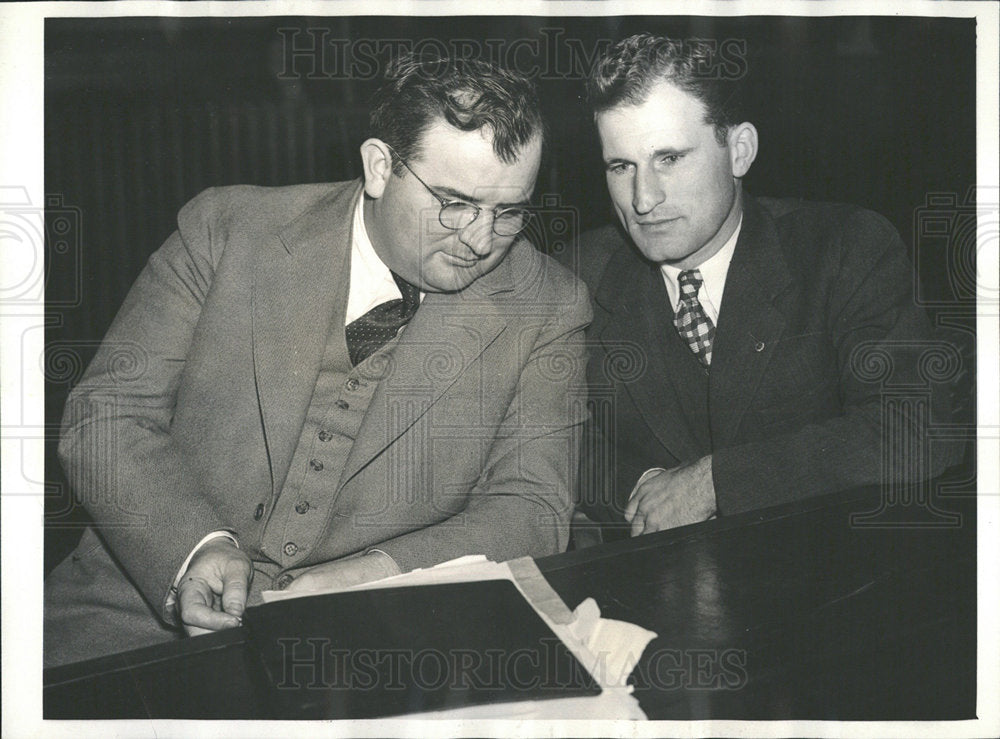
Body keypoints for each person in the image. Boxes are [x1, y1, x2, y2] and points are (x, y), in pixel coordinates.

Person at [45, 53, 590, 666]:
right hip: (133, 615)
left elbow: (532, 509)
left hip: (378, 639)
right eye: (456, 204)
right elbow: (106, 415)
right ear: (381, 167)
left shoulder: (549, 305)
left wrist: (375, 575)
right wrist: (193, 549)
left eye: (510, 212)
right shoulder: (227, 231)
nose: (481, 240)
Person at [572, 34, 956, 539]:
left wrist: (713, 482)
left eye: (670, 159)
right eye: (622, 166)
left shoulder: (843, 248)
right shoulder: (579, 273)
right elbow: (557, 439)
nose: (643, 199)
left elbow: (917, 427)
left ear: (739, 151)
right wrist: (641, 488)